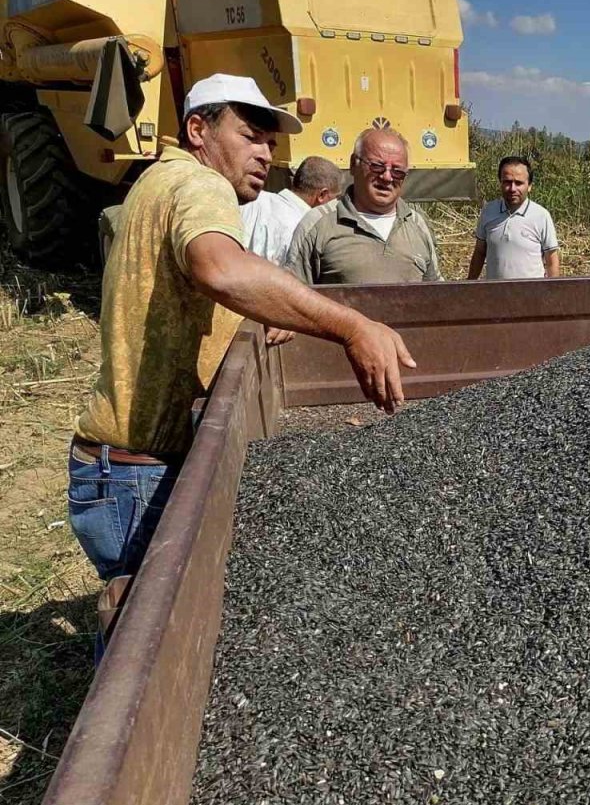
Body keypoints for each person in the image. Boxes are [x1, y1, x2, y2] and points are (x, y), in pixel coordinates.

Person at [69, 73, 417, 592]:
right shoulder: (199, 184)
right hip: (137, 474)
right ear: (197, 130)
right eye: (249, 135)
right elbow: (220, 269)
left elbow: (201, 284)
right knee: (137, 648)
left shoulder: (160, 179)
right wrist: (351, 326)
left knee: (133, 625)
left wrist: (258, 313)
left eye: (270, 143)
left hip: (118, 467)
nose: (264, 153)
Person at [286, 127, 442, 285]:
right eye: (377, 166)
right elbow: (291, 296)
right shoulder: (318, 224)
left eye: (397, 171)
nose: (387, 177)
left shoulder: (417, 225)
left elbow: (437, 294)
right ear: (354, 164)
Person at [467, 156, 560, 280]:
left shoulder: (541, 216)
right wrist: (469, 286)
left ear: (530, 185)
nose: (512, 189)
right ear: (500, 182)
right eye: (507, 182)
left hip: (531, 295)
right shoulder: (488, 212)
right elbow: (479, 252)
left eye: (519, 183)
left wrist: (553, 292)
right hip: (494, 294)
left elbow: (551, 259)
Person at [239, 156, 343, 265]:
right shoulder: (305, 230)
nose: (336, 204)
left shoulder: (252, 200)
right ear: (321, 195)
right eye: (336, 198)